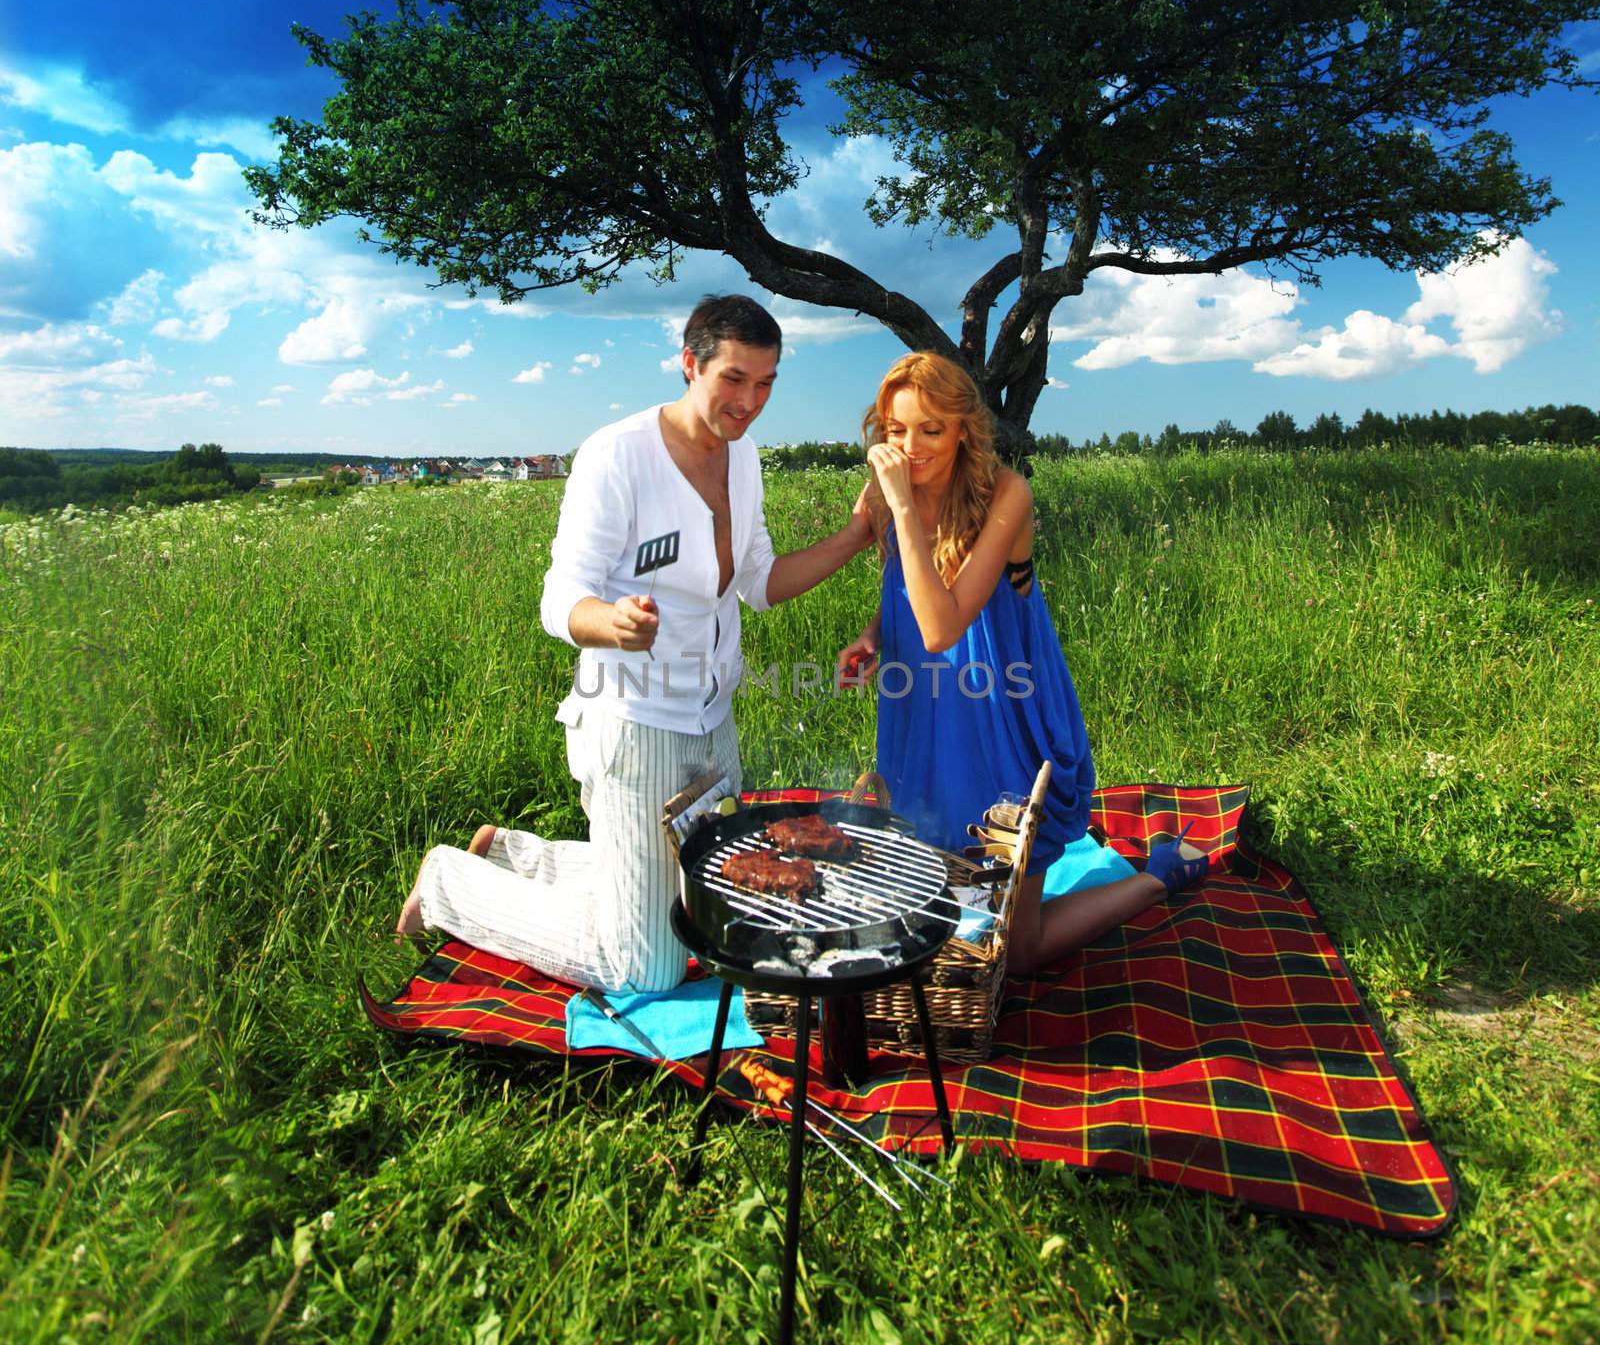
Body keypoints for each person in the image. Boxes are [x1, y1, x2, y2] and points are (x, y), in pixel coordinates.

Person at [396, 295, 874, 991]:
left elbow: (760, 584)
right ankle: (451, 885)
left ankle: (516, 854)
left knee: (710, 896)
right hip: (634, 721)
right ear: (690, 363)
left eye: (766, 382)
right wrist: (611, 621)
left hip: (714, 722)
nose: (750, 402)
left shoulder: (744, 461)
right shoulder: (617, 455)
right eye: (734, 379)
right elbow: (559, 598)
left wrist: (858, 534)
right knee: (644, 967)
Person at [835, 352, 1207, 975]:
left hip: (1001, 702)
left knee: (1019, 950)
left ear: (963, 430)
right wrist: (875, 633)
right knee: (935, 902)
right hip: (922, 703)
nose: (911, 447)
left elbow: (944, 626)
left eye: (930, 429)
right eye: (896, 430)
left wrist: (898, 505)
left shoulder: (1006, 493)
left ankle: (1159, 876)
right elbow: (907, 582)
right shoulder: (885, 493)